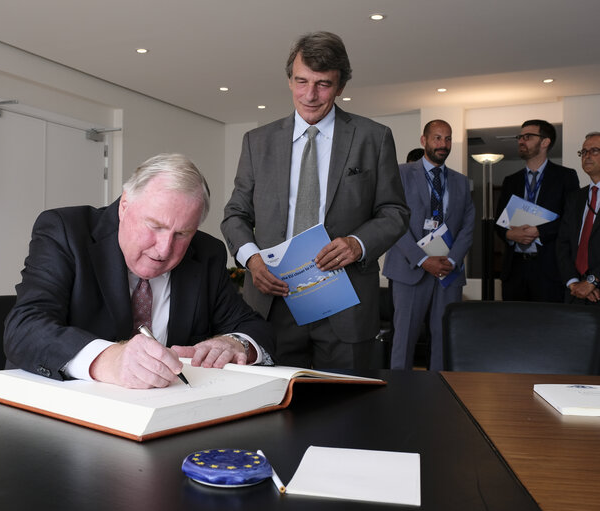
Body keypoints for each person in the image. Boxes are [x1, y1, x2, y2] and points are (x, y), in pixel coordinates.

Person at [4, 153, 275, 389]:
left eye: (182, 234)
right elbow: (25, 328)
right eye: (154, 226)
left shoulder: (206, 253)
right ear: (124, 206)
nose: (164, 249)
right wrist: (108, 359)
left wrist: (235, 344)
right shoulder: (66, 231)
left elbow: (255, 329)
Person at [221, 31, 409, 369]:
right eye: (301, 81)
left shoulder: (374, 138)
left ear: (340, 87)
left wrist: (357, 243)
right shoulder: (256, 142)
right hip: (271, 302)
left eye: (323, 84)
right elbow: (235, 215)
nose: (309, 95)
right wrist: (252, 261)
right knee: (270, 414)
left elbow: (394, 212)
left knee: (346, 412)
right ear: (289, 80)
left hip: (345, 305)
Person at [383, 120, 475, 370]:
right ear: (424, 140)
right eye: (437, 138)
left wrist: (452, 261)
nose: (443, 144)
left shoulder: (461, 182)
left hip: (448, 271)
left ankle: (440, 393)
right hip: (409, 268)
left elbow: (468, 226)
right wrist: (424, 260)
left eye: (447, 139)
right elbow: (393, 222)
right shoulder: (399, 174)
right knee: (404, 338)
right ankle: (399, 393)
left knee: (444, 339)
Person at [495, 120, 579, 302]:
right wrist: (510, 234)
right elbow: (499, 222)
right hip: (514, 270)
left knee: (547, 327)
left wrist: (539, 231)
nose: (520, 141)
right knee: (514, 326)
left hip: (549, 270)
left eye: (527, 137)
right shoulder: (511, 180)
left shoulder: (566, 177)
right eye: (520, 137)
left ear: (545, 142)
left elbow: (571, 220)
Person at [556, 132, 600, 304]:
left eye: (594, 150)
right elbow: (563, 244)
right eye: (584, 152)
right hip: (575, 294)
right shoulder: (575, 198)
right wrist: (573, 283)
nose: (587, 156)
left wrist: (593, 281)